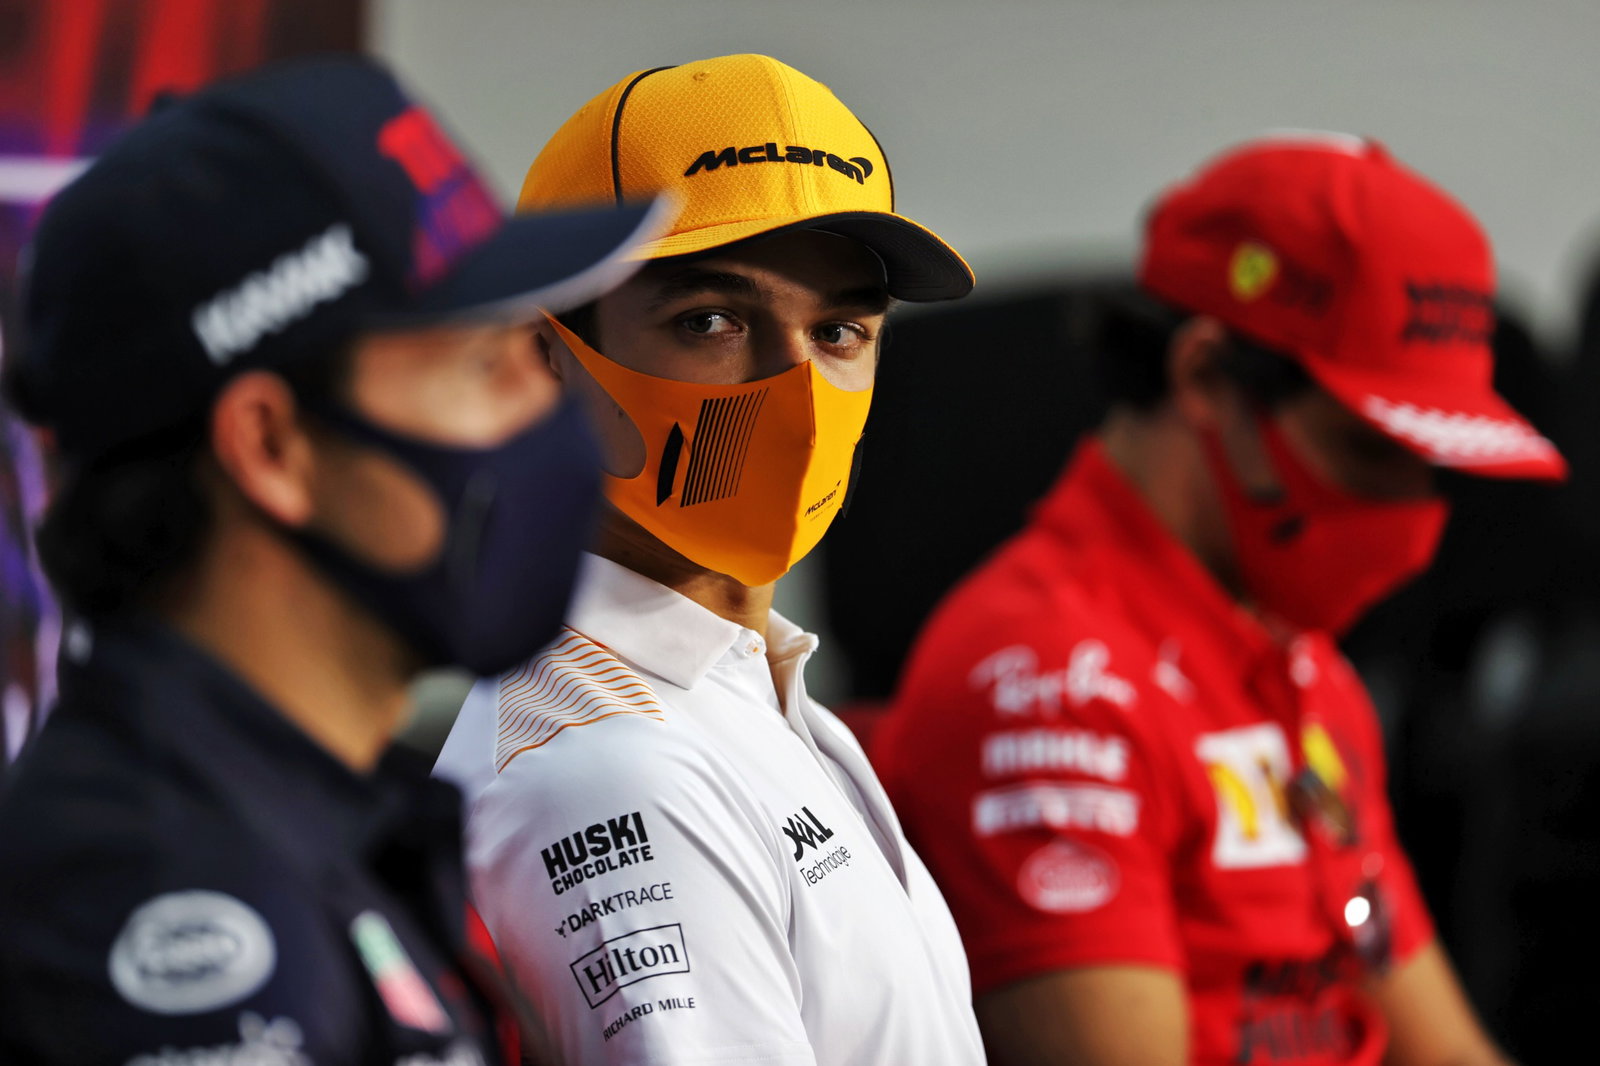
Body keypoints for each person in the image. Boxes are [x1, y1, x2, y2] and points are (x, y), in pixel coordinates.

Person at [0, 55, 669, 1065]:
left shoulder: (313, 821)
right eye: (488, 365)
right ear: (272, 446)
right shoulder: (168, 912)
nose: (550, 411)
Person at [871, 133, 1561, 1066]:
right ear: (1202, 378)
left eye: (1430, 465)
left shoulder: (1305, 668)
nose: (1413, 509)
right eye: (1367, 448)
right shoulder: (1047, 687)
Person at [434, 53, 986, 1065]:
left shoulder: (748, 685)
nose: (796, 385)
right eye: (714, 322)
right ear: (542, 358)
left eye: (839, 329)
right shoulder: (605, 764)